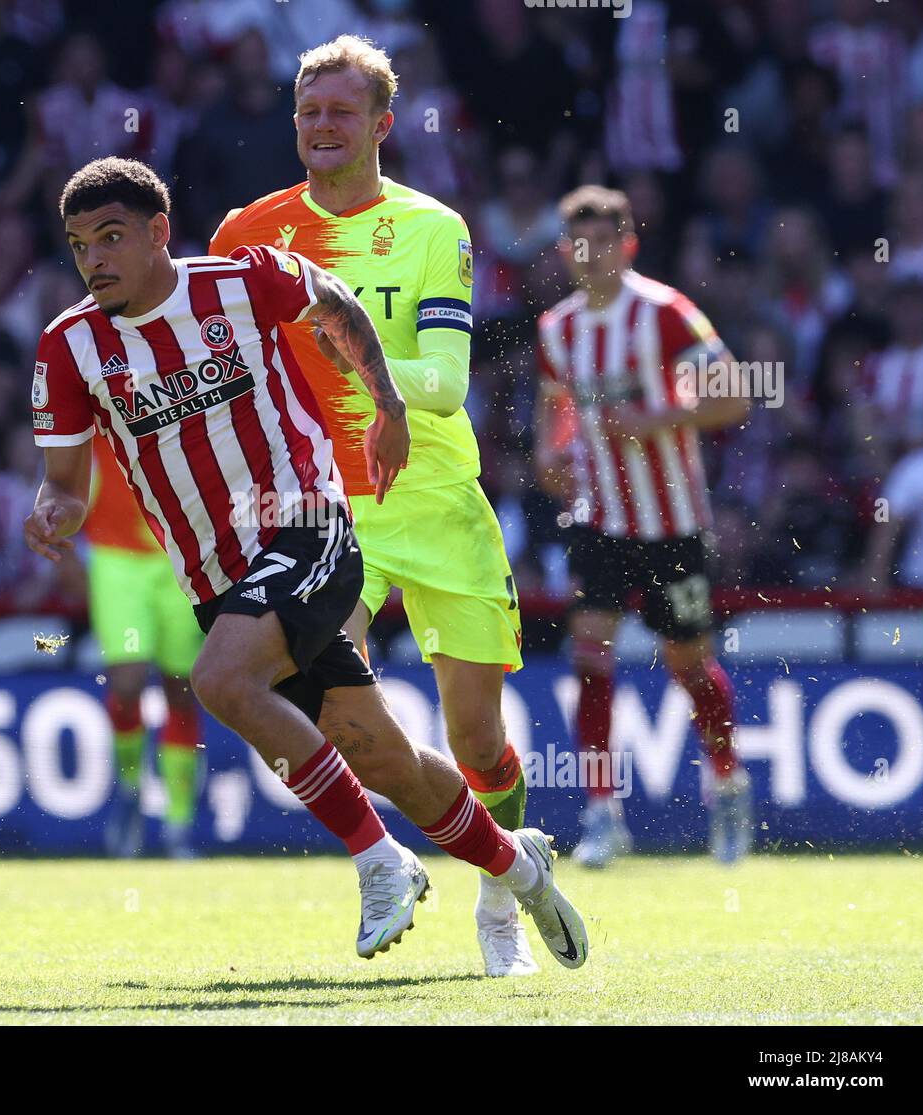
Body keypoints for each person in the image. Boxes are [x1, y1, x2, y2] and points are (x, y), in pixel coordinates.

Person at [23, 156, 587, 965]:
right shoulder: (69, 346)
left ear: (158, 233)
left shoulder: (242, 279)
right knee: (385, 757)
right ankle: (519, 863)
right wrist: (55, 512)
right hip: (215, 576)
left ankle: (378, 860)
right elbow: (66, 483)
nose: (96, 260)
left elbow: (337, 301)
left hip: (308, 523)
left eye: (112, 238)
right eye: (80, 246)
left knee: (220, 680)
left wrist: (388, 404)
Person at [211, 37, 534, 976]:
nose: (320, 127)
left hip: (431, 496)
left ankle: (501, 887)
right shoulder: (249, 233)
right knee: (337, 716)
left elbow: (444, 382)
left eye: (341, 113)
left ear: (381, 125)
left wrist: (355, 360)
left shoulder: (436, 229)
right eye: (309, 113)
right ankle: (383, 864)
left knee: (477, 736)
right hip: (322, 509)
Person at [533, 185, 754, 867]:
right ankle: (603, 813)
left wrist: (658, 420)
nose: (590, 255)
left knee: (687, 662)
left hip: (673, 521)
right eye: (579, 243)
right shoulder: (558, 329)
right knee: (589, 652)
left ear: (627, 245)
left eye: (604, 241)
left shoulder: (665, 314)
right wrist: (548, 453)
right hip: (599, 518)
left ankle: (727, 786)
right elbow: (555, 409)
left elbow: (734, 397)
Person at [85, 444, 206, 859]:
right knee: (128, 682)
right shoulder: (102, 389)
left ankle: (178, 822)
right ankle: (130, 787)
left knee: (183, 690)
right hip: (117, 558)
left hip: (181, 557)